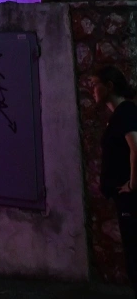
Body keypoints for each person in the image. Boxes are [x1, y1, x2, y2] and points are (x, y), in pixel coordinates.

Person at [90, 65, 137, 292]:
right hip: (124, 198)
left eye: (95, 85)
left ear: (109, 86)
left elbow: (136, 148)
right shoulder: (119, 115)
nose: (92, 90)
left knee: (135, 256)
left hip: (131, 199)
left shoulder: (126, 112)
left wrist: (133, 184)